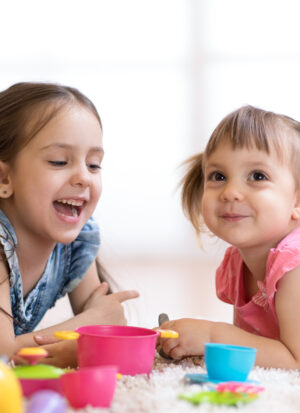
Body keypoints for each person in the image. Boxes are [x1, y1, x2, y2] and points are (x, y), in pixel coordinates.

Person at [0, 82, 138, 368]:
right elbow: (5, 354)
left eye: (94, 165)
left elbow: (104, 327)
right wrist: (89, 324)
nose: (84, 177)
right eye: (60, 161)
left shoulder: (76, 243)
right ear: (4, 179)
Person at [158, 105, 300, 369]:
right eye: (219, 176)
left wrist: (212, 336)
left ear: (297, 200)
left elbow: (296, 360)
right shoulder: (238, 259)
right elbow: (251, 344)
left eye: (257, 176)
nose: (231, 192)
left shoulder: (295, 265)